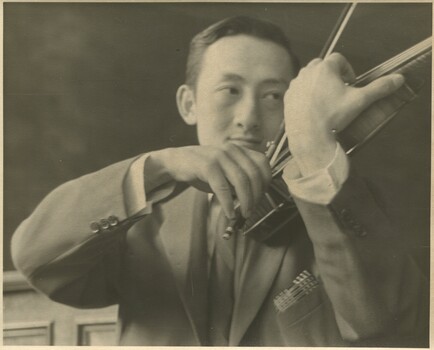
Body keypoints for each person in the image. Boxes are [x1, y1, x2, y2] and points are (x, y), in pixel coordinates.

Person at [11, 16, 428, 346]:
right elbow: (36, 258)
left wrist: (317, 151)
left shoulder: (340, 200)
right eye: (229, 90)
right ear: (189, 104)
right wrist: (156, 167)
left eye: (273, 96)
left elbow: (387, 328)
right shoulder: (141, 218)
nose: (248, 116)